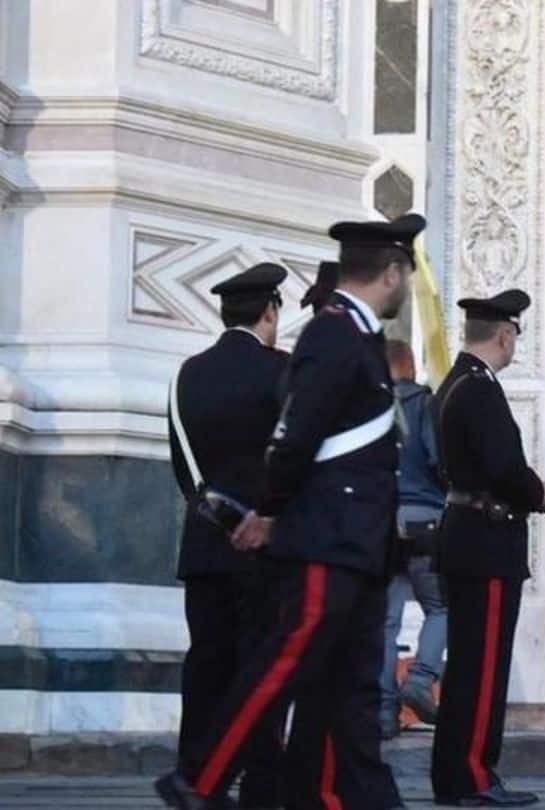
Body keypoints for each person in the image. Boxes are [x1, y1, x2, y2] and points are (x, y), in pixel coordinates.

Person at [155, 214, 425, 810]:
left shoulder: (192, 374)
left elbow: (188, 464)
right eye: (406, 271)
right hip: (323, 535)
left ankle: (342, 796)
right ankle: (201, 779)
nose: (407, 283)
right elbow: (294, 439)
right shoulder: (332, 337)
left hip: (346, 541)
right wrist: (270, 511)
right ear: (391, 272)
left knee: (349, 688)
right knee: (278, 664)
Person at [166, 263, 289, 809]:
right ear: (270, 312)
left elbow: (181, 465)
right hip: (264, 542)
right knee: (259, 666)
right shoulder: (281, 370)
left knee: (207, 662)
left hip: (205, 540)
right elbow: (291, 456)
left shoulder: (186, 374)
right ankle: (262, 782)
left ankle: (195, 773)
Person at [431, 290, 545, 807]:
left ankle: (454, 774)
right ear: (504, 335)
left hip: (468, 536)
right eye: (512, 337)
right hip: (485, 543)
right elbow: (505, 468)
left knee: (466, 663)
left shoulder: (453, 383)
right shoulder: (480, 390)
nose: (512, 347)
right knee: (482, 667)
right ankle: (472, 775)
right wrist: (544, 496)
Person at [379, 339, 448, 739]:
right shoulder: (425, 404)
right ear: (412, 364)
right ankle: (421, 680)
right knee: (441, 607)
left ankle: (384, 710)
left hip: (384, 525)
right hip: (426, 520)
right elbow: (440, 460)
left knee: (385, 622)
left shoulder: (370, 407)